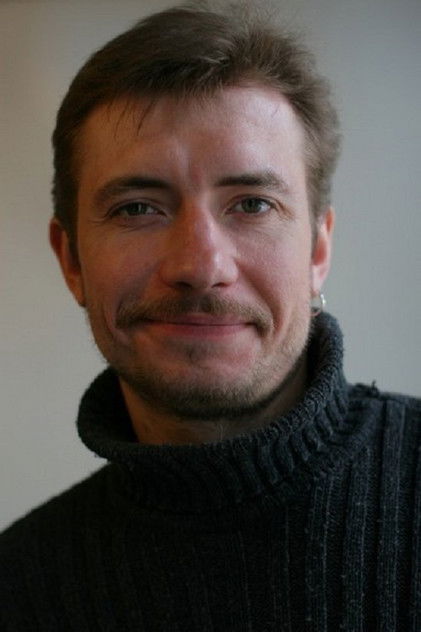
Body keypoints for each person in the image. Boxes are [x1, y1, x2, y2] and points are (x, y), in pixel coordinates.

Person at [1, 3, 420, 630]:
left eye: (252, 204)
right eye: (137, 208)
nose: (200, 265)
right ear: (72, 261)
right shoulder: (20, 588)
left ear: (317, 250)